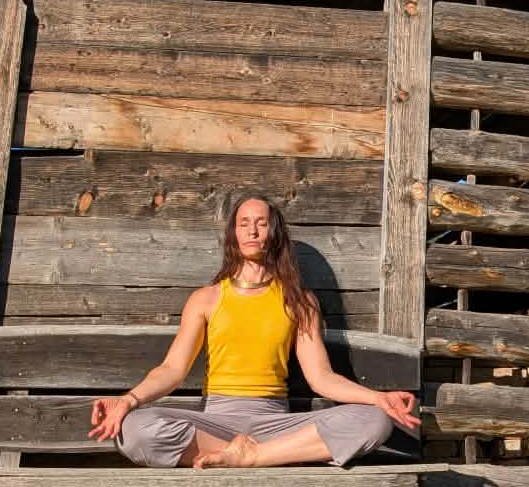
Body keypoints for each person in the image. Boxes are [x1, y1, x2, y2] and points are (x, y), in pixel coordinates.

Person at [89, 189, 419, 469]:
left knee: (374, 421)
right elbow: (172, 370)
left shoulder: (299, 301)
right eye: (244, 223)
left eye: (261, 224)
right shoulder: (206, 299)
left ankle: (253, 456)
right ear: (233, 234)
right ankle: (238, 453)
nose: (252, 232)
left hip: (275, 423)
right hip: (215, 422)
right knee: (134, 429)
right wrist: (128, 400)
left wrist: (377, 398)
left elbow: (321, 377)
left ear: (274, 233)